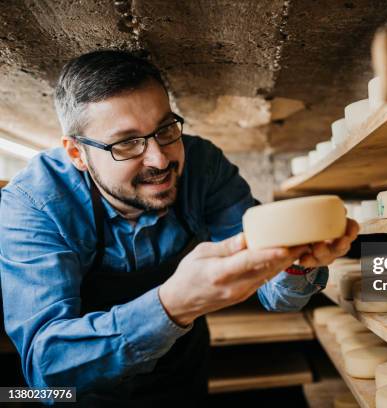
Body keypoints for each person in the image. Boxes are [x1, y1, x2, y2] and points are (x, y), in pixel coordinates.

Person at [0, 50, 359, 406]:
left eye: (166, 129)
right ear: (77, 153)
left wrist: (296, 260)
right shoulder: (33, 203)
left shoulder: (203, 166)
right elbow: (45, 368)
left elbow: (276, 295)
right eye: (126, 143)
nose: (160, 159)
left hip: (181, 372)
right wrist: (173, 304)